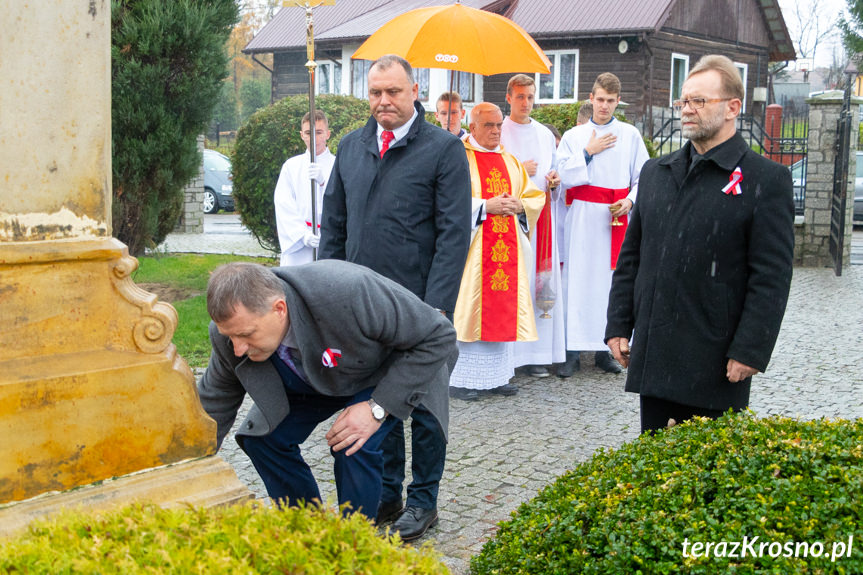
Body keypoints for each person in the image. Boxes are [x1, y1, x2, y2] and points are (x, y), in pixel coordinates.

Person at [319, 54, 472, 541]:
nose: (383, 102)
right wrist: (329, 291)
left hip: (420, 307)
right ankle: (387, 493)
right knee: (374, 396)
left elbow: (453, 235)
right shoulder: (351, 146)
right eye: (375, 93)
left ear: (415, 91)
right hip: (362, 307)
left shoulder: (444, 150)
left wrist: (437, 309)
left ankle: (423, 500)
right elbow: (335, 228)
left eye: (393, 92)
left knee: (425, 408)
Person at [605, 54, 795, 434]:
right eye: (683, 101)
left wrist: (750, 350)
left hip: (716, 355)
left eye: (699, 101)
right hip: (657, 347)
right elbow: (632, 256)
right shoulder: (657, 173)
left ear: (732, 107)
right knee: (655, 464)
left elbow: (771, 275)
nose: (686, 110)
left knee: (707, 474)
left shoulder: (765, 179)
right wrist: (617, 324)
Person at [196, 260, 457, 520]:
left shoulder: (349, 291)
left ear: (279, 309)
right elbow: (212, 406)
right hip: (317, 379)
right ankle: (308, 529)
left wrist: (377, 407)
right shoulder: (229, 336)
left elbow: (438, 334)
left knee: (353, 442)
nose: (238, 348)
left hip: (381, 371)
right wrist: (182, 469)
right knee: (262, 438)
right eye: (230, 336)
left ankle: (353, 543)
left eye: (247, 335)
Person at [449, 102, 546, 398]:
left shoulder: (511, 161)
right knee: (471, 308)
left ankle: (498, 376)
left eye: (499, 125)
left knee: (504, 307)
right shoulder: (457, 158)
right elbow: (445, 201)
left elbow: (532, 196)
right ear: (473, 126)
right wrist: (483, 206)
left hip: (507, 247)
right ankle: (462, 380)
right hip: (472, 249)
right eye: (488, 126)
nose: (495, 131)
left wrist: (521, 206)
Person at [556, 72, 649, 377]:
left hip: (615, 218)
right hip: (583, 216)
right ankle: (570, 352)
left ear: (617, 101)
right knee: (577, 281)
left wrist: (630, 201)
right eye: (600, 99)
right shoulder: (574, 136)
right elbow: (560, 179)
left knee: (609, 285)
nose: (604, 106)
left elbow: (644, 178)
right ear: (591, 98)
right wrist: (588, 153)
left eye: (611, 101)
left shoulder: (631, 135)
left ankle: (603, 350)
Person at [500, 74, 565, 378]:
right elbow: (491, 171)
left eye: (530, 96)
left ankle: (537, 353)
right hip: (511, 219)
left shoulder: (542, 133)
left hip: (540, 221)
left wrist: (553, 180)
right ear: (509, 98)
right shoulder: (499, 130)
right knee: (514, 282)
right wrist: (517, 169)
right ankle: (510, 355)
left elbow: (553, 170)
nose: (526, 103)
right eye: (520, 96)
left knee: (538, 283)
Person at [273, 110, 335, 266]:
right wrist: (302, 235)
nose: (314, 138)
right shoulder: (291, 167)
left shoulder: (338, 164)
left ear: (328, 134)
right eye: (308, 133)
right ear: (301, 135)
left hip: (329, 241)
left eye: (319, 132)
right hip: (298, 246)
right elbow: (283, 204)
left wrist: (324, 182)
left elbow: (344, 201)